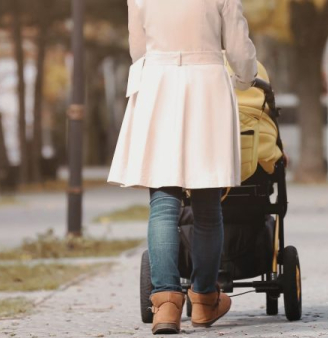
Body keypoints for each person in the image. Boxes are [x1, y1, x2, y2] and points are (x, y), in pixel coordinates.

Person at [107, 0, 257, 334]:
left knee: (162, 203)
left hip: (158, 87)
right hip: (206, 87)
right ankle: (203, 298)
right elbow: (238, 48)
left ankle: (165, 305)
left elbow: (137, 49)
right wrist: (247, 78)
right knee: (206, 205)